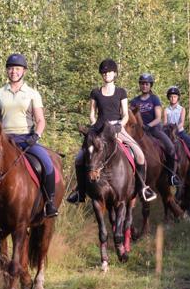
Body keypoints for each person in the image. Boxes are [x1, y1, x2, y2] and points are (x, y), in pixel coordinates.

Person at [0, 53, 58, 219]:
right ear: (7, 71)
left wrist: (36, 135)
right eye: (10, 68)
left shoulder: (32, 93)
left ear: (23, 71)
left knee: (47, 163)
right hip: (3, 140)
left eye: (17, 69)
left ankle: (50, 202)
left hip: (26, 139)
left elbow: (40, 120)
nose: (13, 72)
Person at [66, 59, 157, 204]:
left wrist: (119, 125)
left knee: (139, 154)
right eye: (103, 73)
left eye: (108, 72)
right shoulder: (95, 92)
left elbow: (126, 114)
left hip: (117, 127)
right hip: (99, 128)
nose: (106, 75)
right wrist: (95, 126)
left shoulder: (121, 92)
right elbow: (91, 114)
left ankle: (142, 188)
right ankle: (80, 191)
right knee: (79, 158)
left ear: (114, 73)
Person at [130, 73, 181, 186]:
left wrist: (148, 126)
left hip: (154, 130)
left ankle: (172, 176)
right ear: (140, 85)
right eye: (142, 84)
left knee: (171, 148)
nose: (144, 86)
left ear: (150, 85)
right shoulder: (134, 101)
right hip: (139, 132)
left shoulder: (155, 99)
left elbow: (158, 118)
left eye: (146, 84)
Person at [163, 86, 190, 174]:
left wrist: (175, 129)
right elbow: (165, 123)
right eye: (171, 96)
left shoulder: (182, 109)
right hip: (169, 134)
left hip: (180, 132)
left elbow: (182, 122)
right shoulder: (166, 110)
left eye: (175, 96)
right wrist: (168, 130)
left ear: (178, 98)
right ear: (169, 98)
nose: (173, 98)